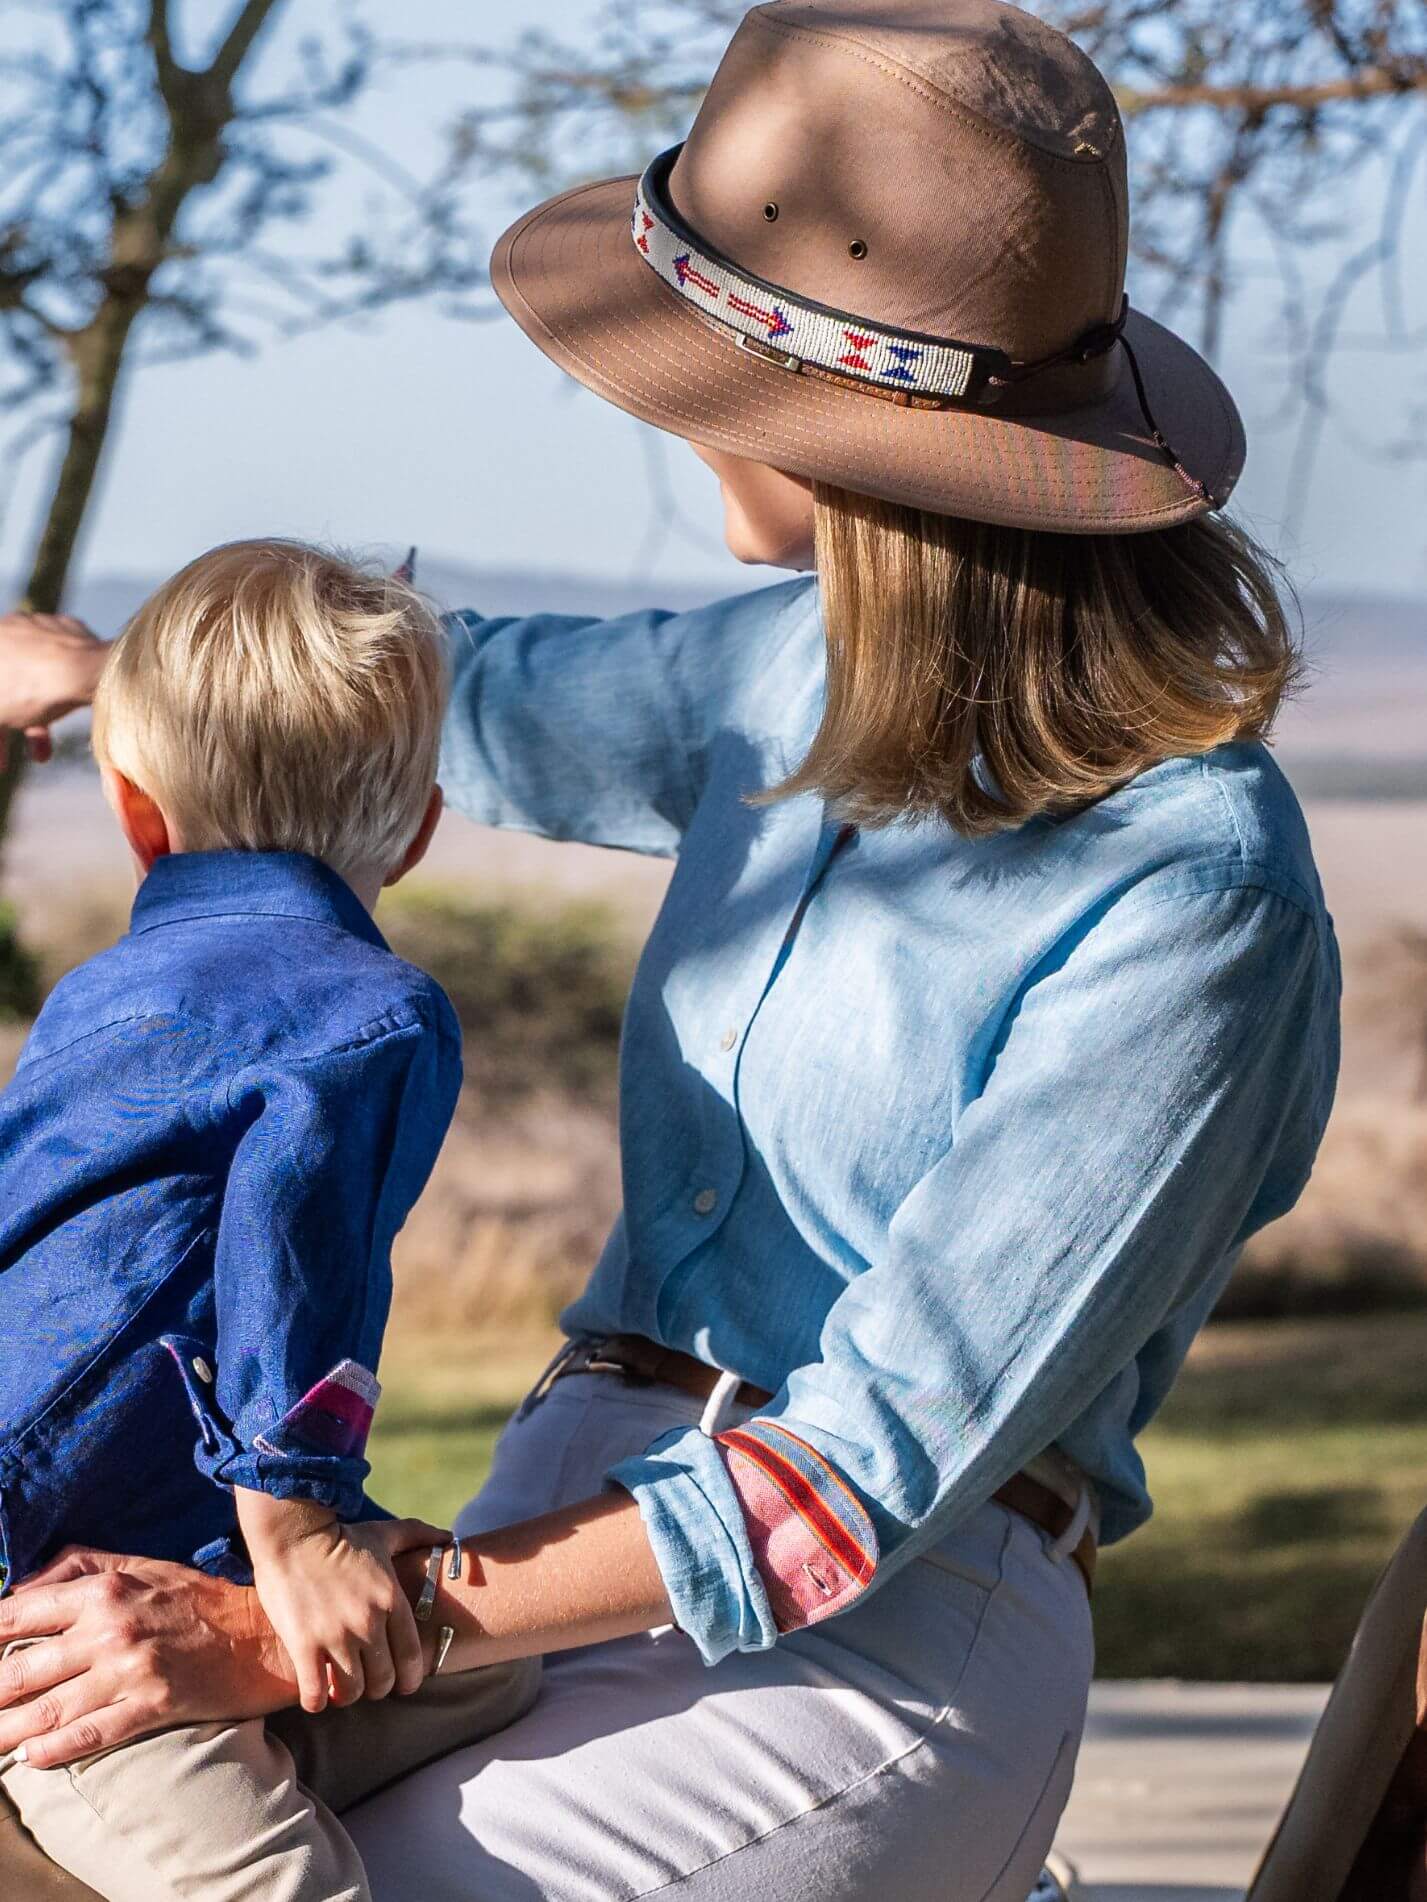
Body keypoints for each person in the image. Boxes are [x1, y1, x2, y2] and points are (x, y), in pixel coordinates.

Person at [0, 2, 1341, 1896]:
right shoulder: (782, 668)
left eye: (700, 359)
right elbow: (410, 701)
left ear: (848, 432)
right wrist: (117, 678)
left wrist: (291, 1619)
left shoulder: (1198, 897)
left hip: (869, 1641)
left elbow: (863, 1468)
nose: (647, 396)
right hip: (535, 1536)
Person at [0, 542, 538, 1902]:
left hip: (80, 1509)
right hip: (58, 1608)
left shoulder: (100, 992)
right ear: (417, 831)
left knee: (495, 1659)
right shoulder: (370, 1013)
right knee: (277, 1884)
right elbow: (287, 1272)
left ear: (135, 813)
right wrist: (297, 1532)